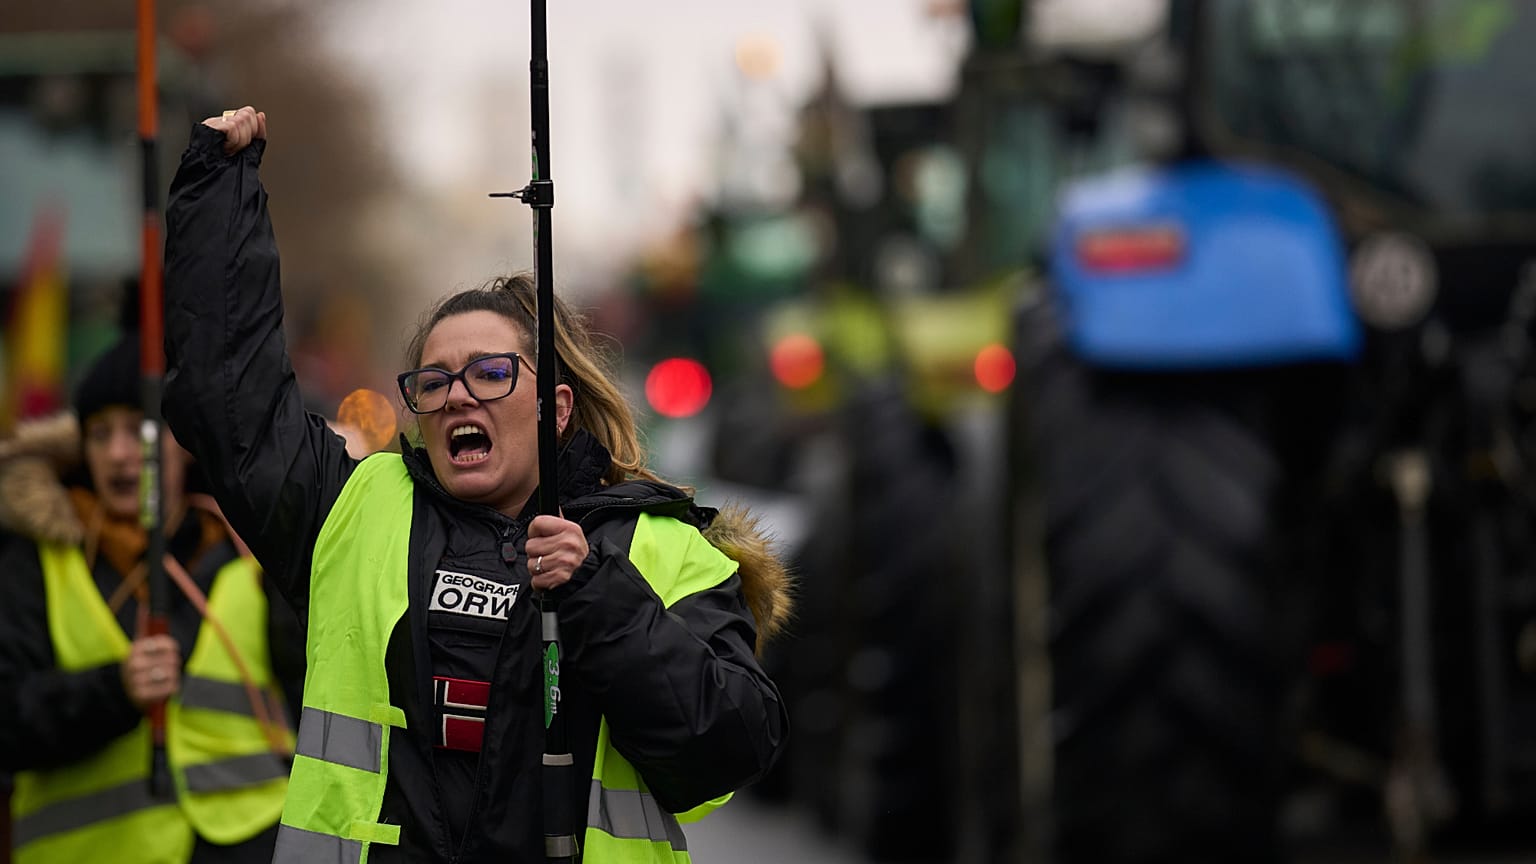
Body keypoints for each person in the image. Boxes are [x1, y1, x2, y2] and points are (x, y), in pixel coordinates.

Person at [161, 106, 792, 863]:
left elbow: (733, 745)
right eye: (435, 381)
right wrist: (220, 192)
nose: (459, 395)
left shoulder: (658, 550)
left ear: (554, 407)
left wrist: (600, 594)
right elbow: (231, 400)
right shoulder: (354, 509)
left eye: (492, 374)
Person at [0, 335, 304, 864]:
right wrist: (112, 690)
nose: (120, 453)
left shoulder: (249, 553)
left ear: (182, 442)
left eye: (142, 429)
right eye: (99, 434)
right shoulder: (33, 563)